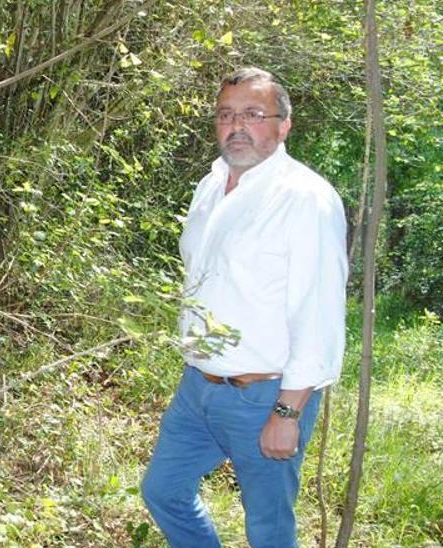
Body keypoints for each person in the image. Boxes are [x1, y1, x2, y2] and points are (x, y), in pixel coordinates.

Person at [140, 67, 348, 547]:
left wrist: (288, 412)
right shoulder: (211, 186)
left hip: (265, 394)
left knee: (268, 529)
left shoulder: (304, 199)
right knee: (163, 491)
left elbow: (318, 313)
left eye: (254, 114)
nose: (237, 126)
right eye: (226, 115)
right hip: (198, 385)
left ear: (283, 125)